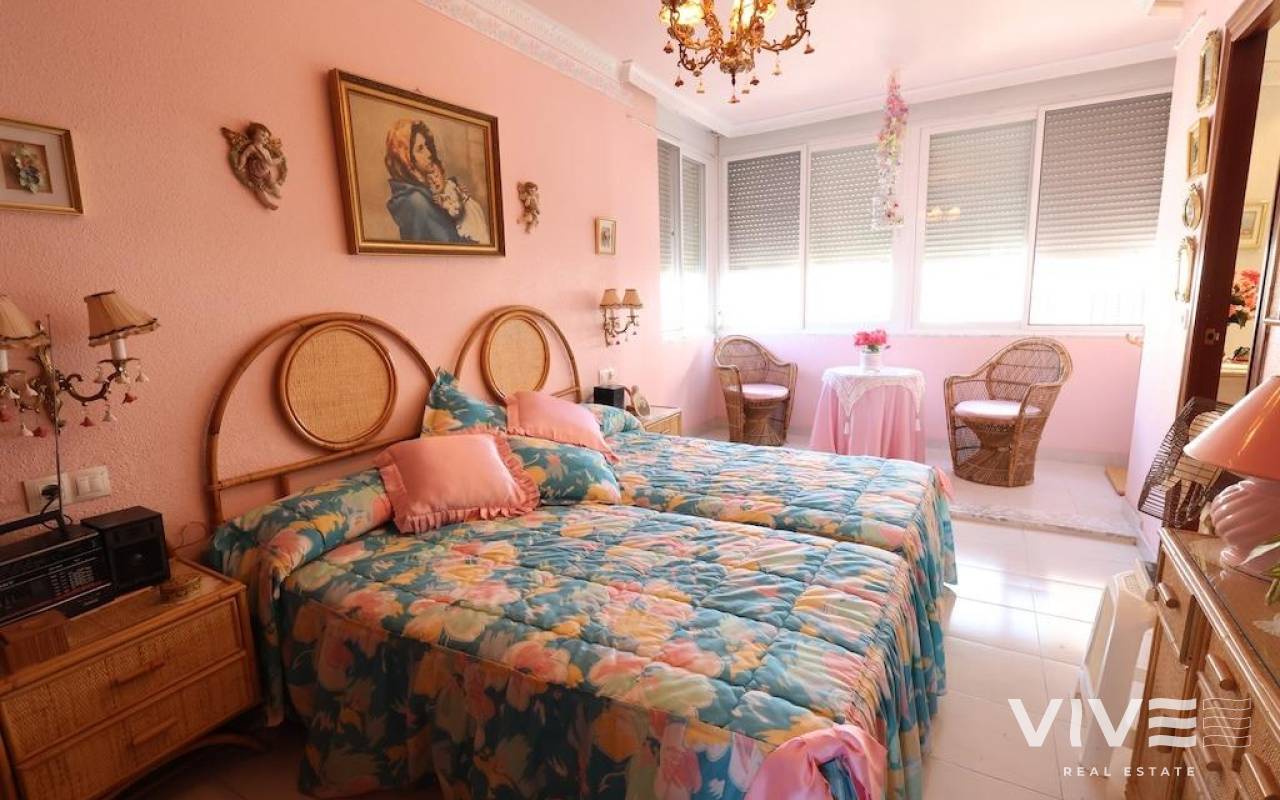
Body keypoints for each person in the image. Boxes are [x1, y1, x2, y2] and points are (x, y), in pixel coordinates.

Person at [383, 119, 465, 243]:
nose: (429, 153)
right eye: (420, 149)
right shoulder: (417, 201)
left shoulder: (426, 192)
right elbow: (449, 245)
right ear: (406, 157)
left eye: (426, 145)